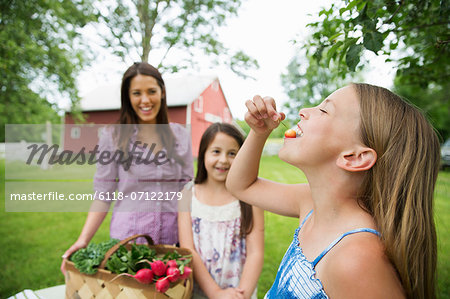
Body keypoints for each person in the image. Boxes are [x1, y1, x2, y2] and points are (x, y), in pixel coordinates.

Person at [226, 83, 440, 299]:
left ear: (354, 158)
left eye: (324, 110)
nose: (303, 111)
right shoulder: (310, 203)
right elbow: (241, 186)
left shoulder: (356, 259)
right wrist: (259, 133)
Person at [61, 62, 194, 274]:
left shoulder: (180, 136)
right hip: (128, 245)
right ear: (128, 97)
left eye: (151, 91)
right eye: (136, 93)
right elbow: (103, 195)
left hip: (172, 243)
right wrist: (82, 240)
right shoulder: (113, 137)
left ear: (162, 93)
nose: (145, 100)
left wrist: (188, 245)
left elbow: (187, 191)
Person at [178, 123, 264, 299]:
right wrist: (215, 293)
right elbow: (188, 249)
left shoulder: (251, 198)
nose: (224, 160)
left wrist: (243, 294)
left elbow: (256, 252)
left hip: (239, 292)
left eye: (232, 153)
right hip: (199, 291)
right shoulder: (187, 194)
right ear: (203, 154)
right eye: (216, 151)